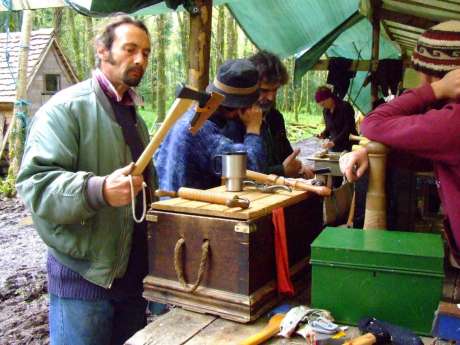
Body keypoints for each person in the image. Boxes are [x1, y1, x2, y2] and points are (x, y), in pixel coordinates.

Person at [16, 16, 155, 345]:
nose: (140, 59)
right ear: (102, 50)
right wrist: (100, 190)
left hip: (132, 280)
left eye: (146, 53)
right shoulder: (65, 109)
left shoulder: (136, 118)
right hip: (85, 280)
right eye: (130, 49)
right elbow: (36, 186)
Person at [341, 20, 460, 266]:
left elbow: (372, 122)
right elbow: (422, 155)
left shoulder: (453, 120)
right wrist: (372, 151)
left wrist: (433, 91)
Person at [154, 58, 266, 192]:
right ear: (241, 109)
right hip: (184, 210)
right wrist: (253, 129)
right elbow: (252, 169)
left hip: (168, 205)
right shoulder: (202, 130)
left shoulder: (186, 116)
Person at [223, 50, 314, 178]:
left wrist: (299, 168)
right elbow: (234, 173)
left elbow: (287, 158)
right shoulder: (231, 121)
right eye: (264, 90)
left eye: (275, 90)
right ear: (248, 87)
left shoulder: (275, 118)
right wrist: (281, 171)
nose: (271, 97)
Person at [315, 85, 358, 152]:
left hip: (350, 146)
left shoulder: (345, 107)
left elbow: (348, 128)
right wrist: (323, 134)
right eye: (321, 105)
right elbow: (329, 128)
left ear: (329, 98)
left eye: (323, 104)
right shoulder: (326, 111)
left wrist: (334, 142)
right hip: (335, 148)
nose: (323, 107)